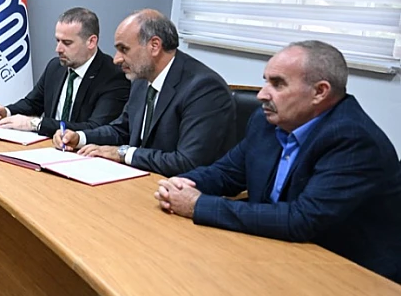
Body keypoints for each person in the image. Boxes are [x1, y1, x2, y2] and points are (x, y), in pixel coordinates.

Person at [156, 41, 401, 283]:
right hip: (280, 252)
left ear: (320, 92)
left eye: (277, 84)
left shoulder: (352, 139)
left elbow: (301, 219)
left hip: (352, 273)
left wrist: (197, 206)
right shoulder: (268, 121)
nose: (262, 94)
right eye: (265, 81)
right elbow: (227, 173)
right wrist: (182, 184)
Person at [53, 9, 235, 176]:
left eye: (124, 49)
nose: (116, 59)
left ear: (154, 46)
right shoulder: (141, 79)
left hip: (178, 192)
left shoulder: (204, 89)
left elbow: (187, 162)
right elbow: (122, 129)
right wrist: (79, 138)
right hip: (138, 180)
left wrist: (123, 153)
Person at [0, 7, 128, 136]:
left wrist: (36, 124)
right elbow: (32, 104)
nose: (58, 49)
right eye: (57, 40)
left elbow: (95, 128)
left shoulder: (113, 75)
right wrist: (5, 111)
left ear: (91, 42)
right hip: (50, 146)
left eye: (67, 43)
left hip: (83, 154)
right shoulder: (56, 66)